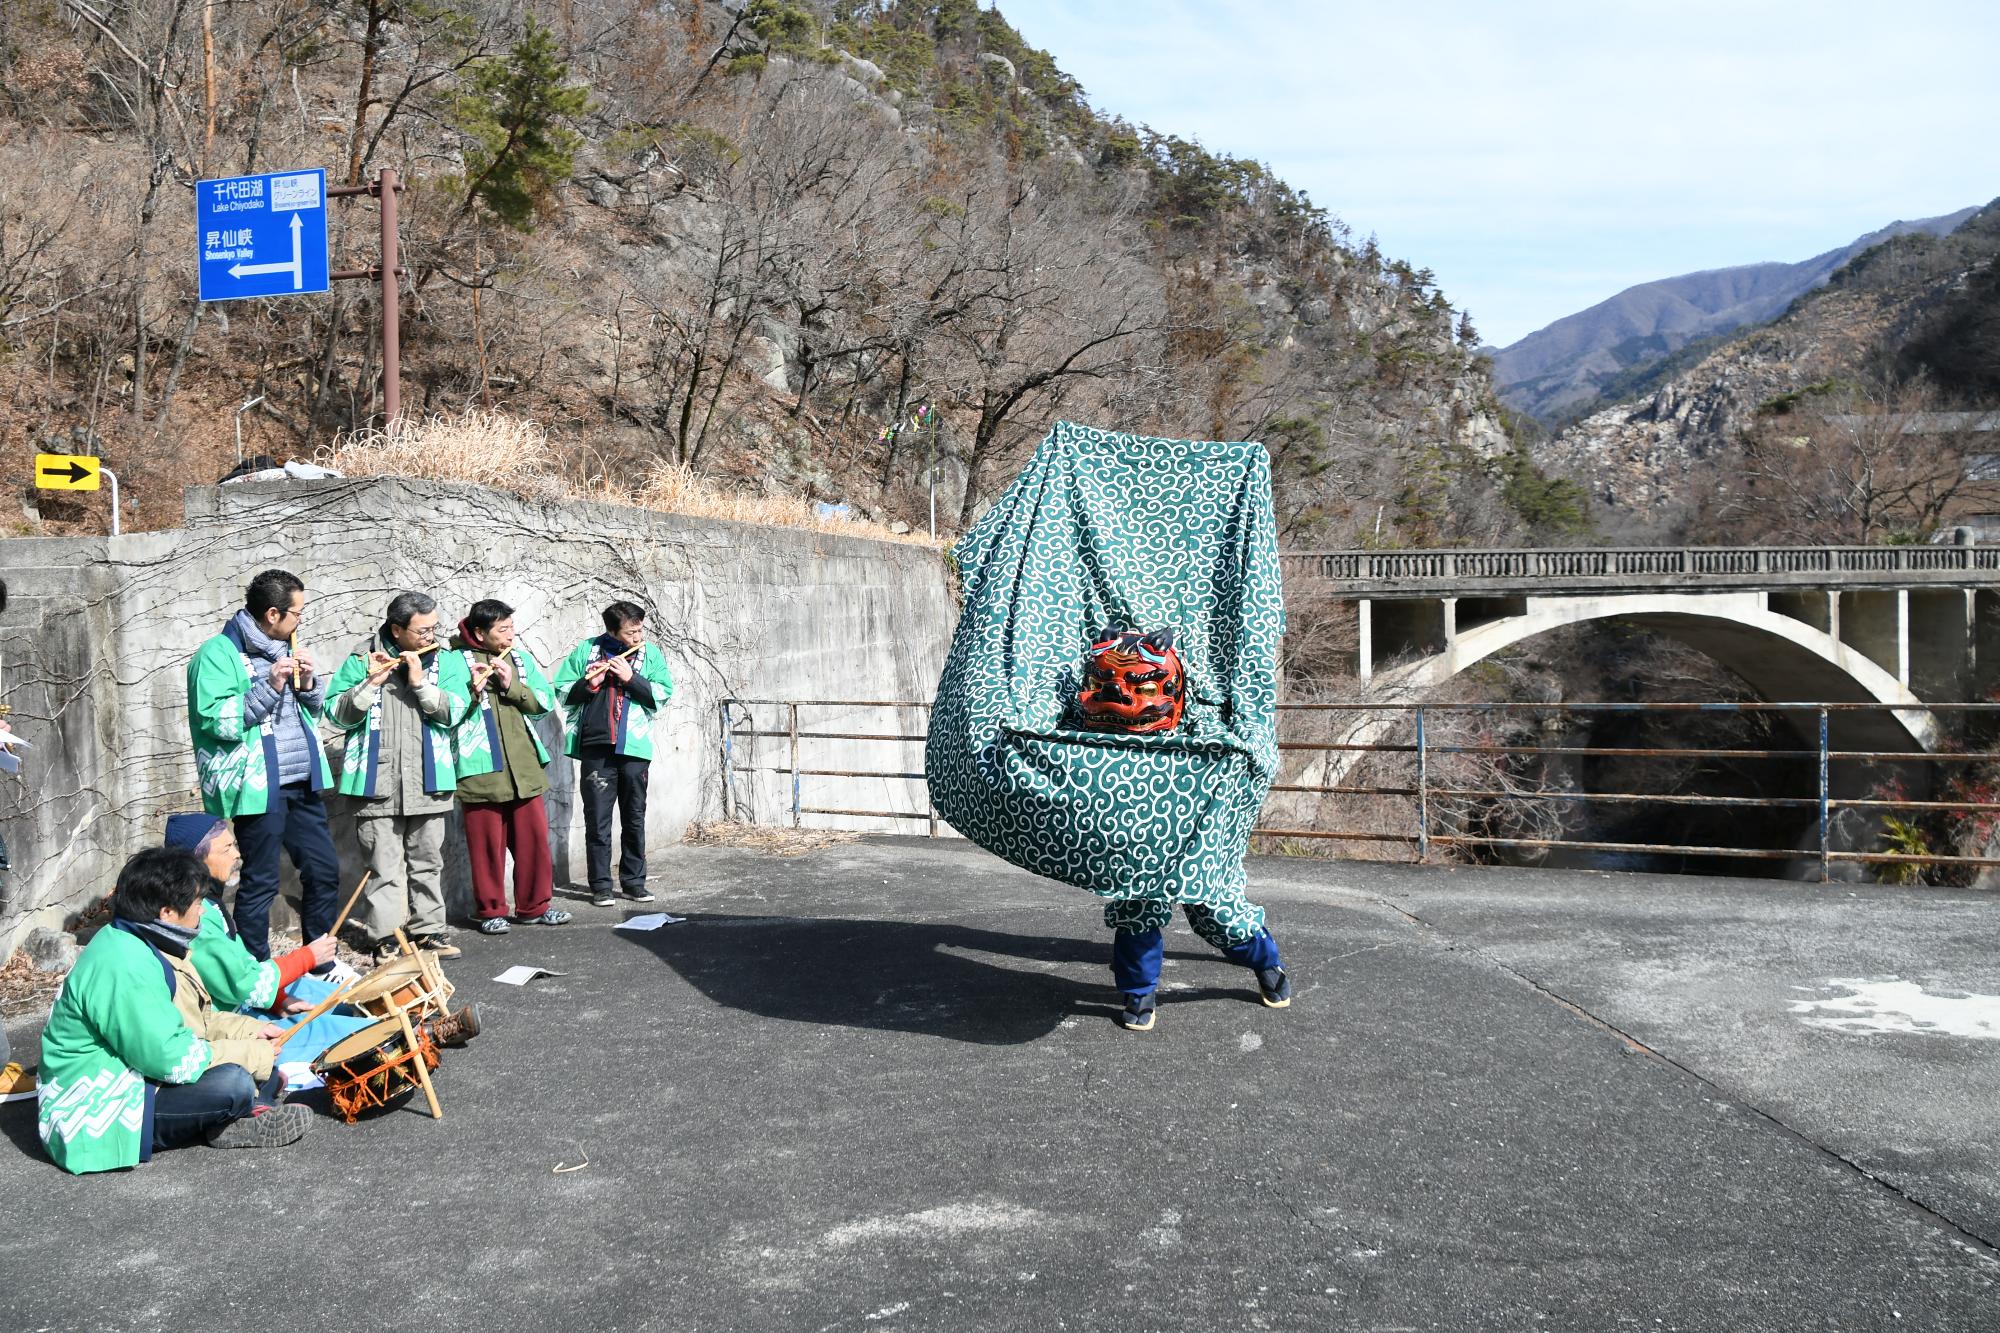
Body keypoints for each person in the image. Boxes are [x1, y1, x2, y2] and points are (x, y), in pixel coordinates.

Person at [37, 848, 312, 1173]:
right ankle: (242, 1111)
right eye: (197, 904)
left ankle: (244, 1111)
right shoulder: (125, 965)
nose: (201, 911)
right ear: (167, 912)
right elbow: (170, 1058)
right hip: (91, 1112)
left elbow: (195, 1020)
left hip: (136, 1074)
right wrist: (251, 1054)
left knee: (257, 1064)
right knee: (234, 1083)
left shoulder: (143, 940)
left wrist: (250, 1033)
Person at [165, 812, 478, 1051]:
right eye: (227, 848)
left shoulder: (205, 902)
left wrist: (278, 999)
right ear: (197, 858)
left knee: (332, 995)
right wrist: (307, 957)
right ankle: (421, 1034)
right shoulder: (195, 916)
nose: (238, 854)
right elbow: (246, 984)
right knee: (320, 1029)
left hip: (244, 1002)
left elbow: (241, 974)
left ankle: (410, 1022)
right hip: (228, 1019)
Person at [185, 569, 341, 962]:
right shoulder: (216, 654)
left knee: (324, 871)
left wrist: (308, 683)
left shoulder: (288, 645)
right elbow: (216, 720)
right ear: (273, 614)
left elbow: (313, 710)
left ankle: (318, 961)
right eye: (297, 612)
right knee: (261, 882)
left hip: (301, 781)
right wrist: (269, 685)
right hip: (256, 787)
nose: (301, 619)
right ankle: (254, 972)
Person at [327, 591, 472, 961]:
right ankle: (386, 936)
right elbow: (336, 713)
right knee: (383, 865)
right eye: (422, 631)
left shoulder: (448, 660)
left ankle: (429, 931)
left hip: (429, 775)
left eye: (434, 628)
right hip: (375, 779)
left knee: (428, 860)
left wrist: (421, 683)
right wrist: (371, 682)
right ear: (397, 628)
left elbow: (457, 711)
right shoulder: (362, 659)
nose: (431, 637)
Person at [450, 599, 569, 934]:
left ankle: (535, 906)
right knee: (486, 847)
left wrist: (511, 685)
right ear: (479, 632)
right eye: (502, 630)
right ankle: (490, 911)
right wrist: (471, 692)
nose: (510, 636)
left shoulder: (518, 658)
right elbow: (443, 710)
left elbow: (543, 703)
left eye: (511, 628)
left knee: (534, 842)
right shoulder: (452, 661)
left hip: (524, 766)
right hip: (480, 768)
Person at [554, 600, 675, 907]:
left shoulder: (650, 654)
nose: (637, 637)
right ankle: (601, 886)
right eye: (631, 632)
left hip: (634, 747)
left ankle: (634, 882)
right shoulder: (587, 650)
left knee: (634, 816)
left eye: (640, 630)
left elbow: (663, 692)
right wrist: (589, 684)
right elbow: (562, 691)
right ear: (612, 631)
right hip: (595, 746)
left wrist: (630, 678)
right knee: (597, 818)